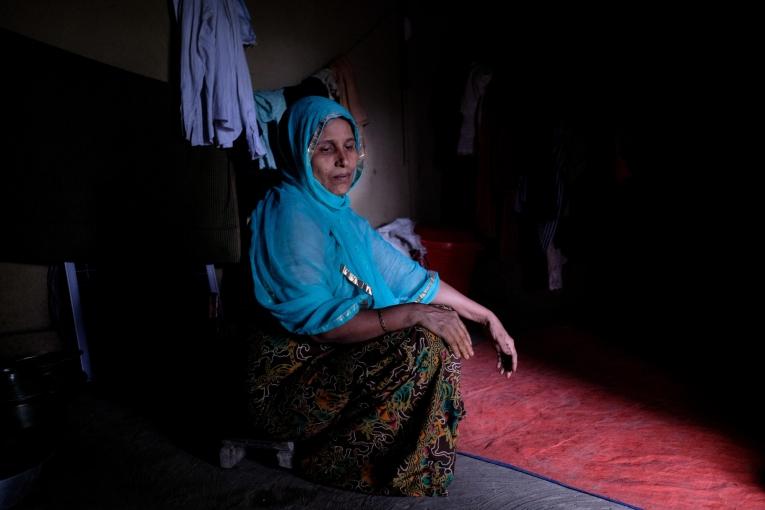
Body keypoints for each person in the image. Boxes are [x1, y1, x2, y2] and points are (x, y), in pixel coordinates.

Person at [245, 96, 517, 496]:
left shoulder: (342, 218)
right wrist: (411, 315)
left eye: (349, 146)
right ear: (299, 152)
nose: (343, 160)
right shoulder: (289, 215)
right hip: (285, 387)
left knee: (437, 324)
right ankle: (333, 459)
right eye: (325, 148)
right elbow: (320, 326)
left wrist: (487, 316)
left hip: (329, 365)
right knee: (421, 338)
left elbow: (412, 280)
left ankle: (403, 459)